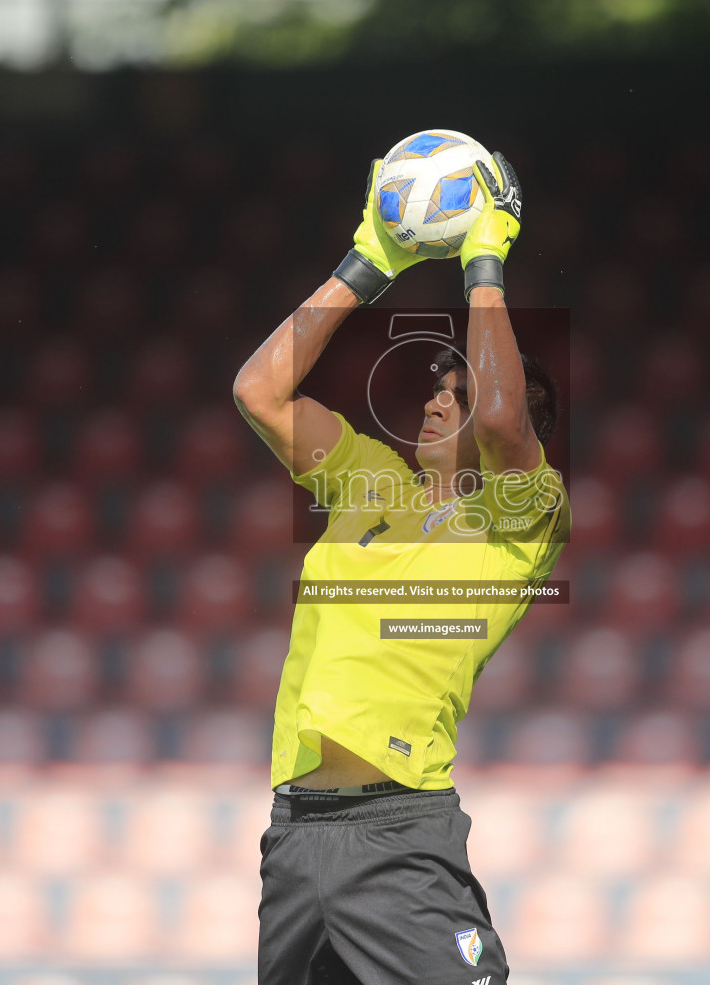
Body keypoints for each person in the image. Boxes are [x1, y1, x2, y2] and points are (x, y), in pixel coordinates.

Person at [232, 149, 568, 985]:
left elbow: (499, 422)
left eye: (458, 390)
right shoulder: (369, 477)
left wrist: (483, 264)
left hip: (400, 836)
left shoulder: (523, 524)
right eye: (435, 385)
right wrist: (367, 263)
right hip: (294, 838)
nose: (436, 398)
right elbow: (258, 392)